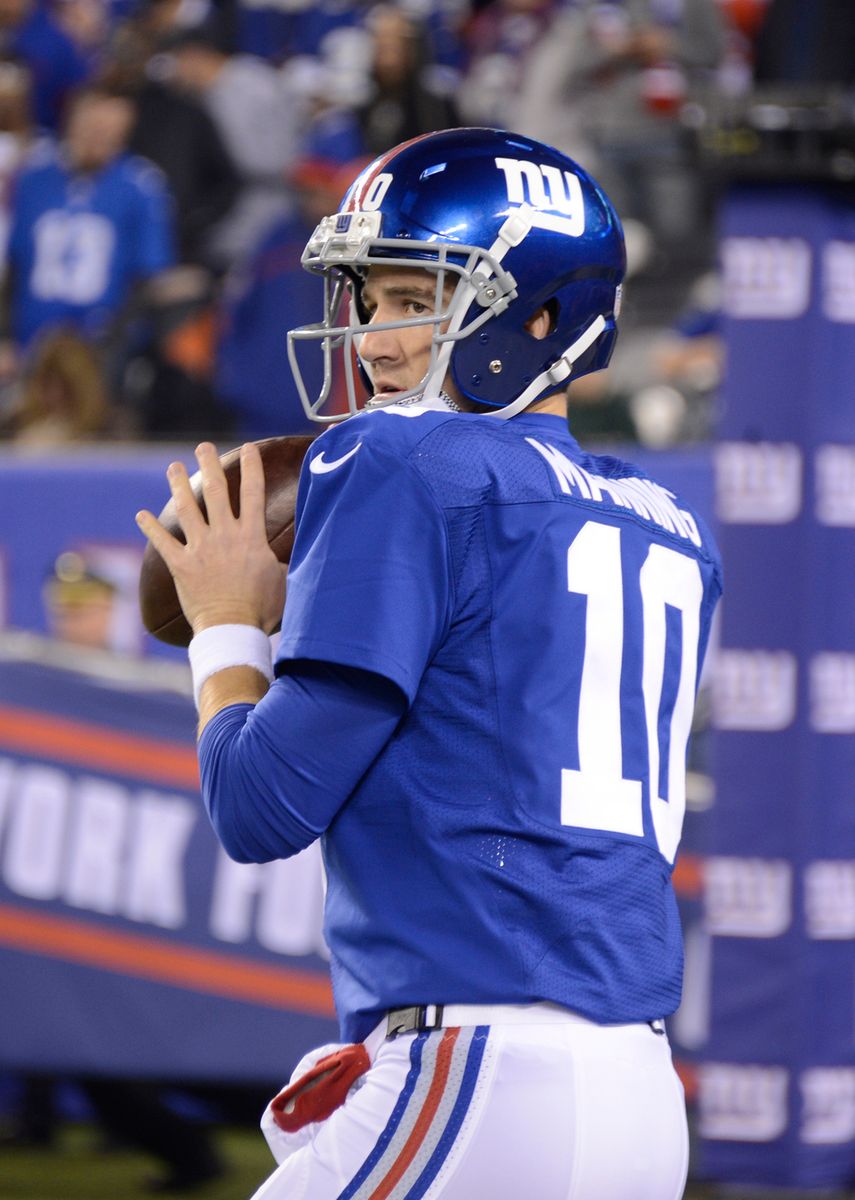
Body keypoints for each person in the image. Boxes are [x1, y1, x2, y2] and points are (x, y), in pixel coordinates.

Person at [136, 127, 723, 1199]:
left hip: (479, 1072)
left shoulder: (397, 458)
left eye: (418, 297)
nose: (373, 337)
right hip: (639, 1090)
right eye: (368, 297)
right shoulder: (669, 522)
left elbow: (260, 805)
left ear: (538, 316)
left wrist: (227, 625)